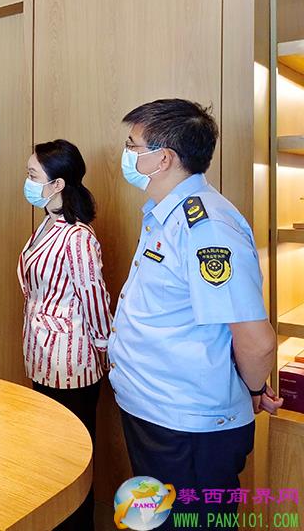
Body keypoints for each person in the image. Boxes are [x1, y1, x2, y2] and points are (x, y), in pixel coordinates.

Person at [108, 99, 283, 527]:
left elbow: (256, 340)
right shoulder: (167, 214)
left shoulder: (207, 228)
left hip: (187, 427)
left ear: (163, 158)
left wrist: (253, 389)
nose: (126, 155)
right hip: (156, 410)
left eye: (132, 146)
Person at [18, 139, 112, 530]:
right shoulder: (47, 224)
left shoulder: (78, 238)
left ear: (57, 184)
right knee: (51, 456)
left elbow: (95, 299)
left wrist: (106, 349)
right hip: (43, 358)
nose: (27, 182)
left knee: (73, 459)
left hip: (71, 365)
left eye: (32, 175)